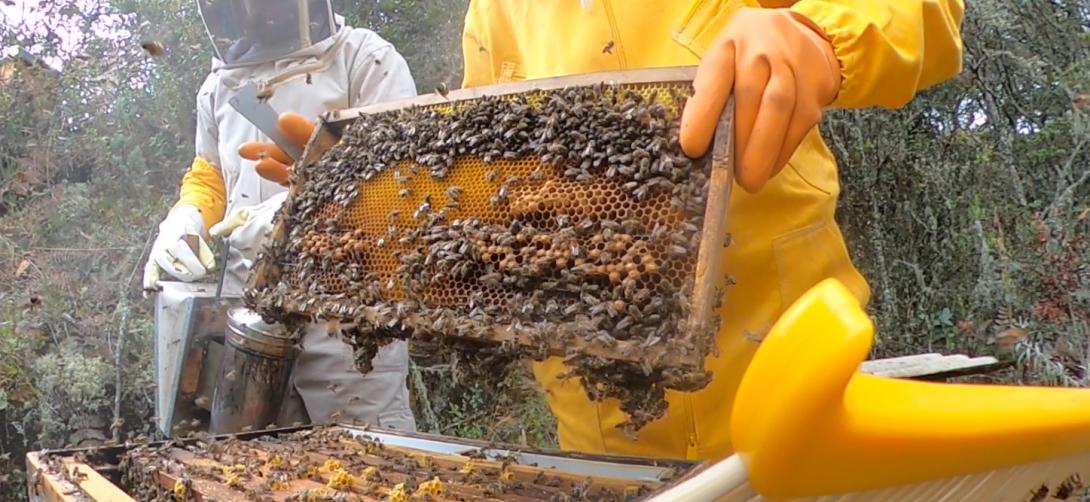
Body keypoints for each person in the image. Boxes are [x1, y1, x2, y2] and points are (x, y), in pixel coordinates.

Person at [460, 0, 964, 460]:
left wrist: (820, 35)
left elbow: (927, 11)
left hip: (791, 386)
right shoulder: (492, 12)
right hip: (601, 428)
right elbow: (481, 172)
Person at [141, 0, 418, 430]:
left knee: (367, 464)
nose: (252, 10)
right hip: (248, 314)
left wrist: (303, 208)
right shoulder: (218, 86)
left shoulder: (365, 59)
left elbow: (404, 176)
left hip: (348, 318)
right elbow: (211, 172)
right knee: (254, 463)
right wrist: (187, 216)